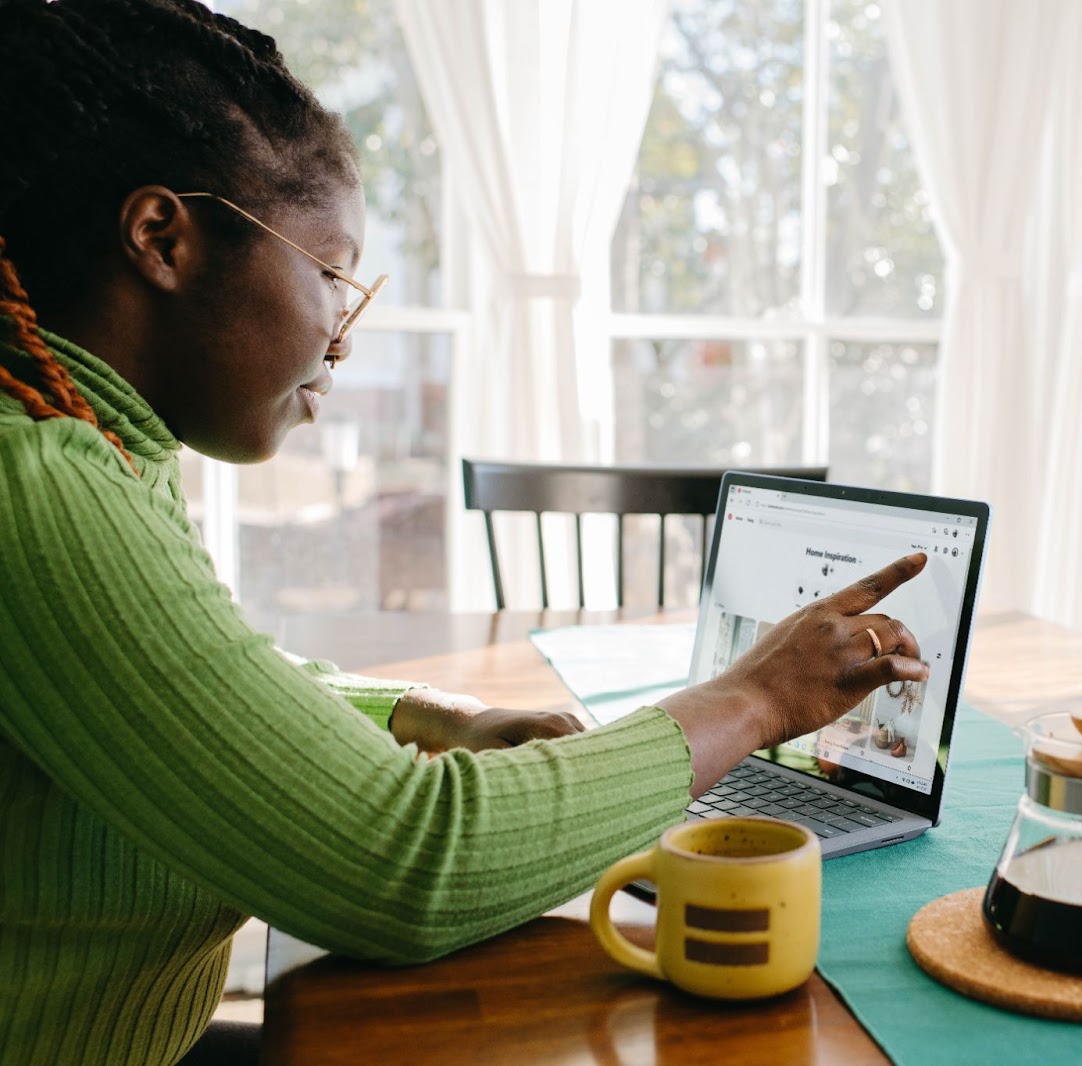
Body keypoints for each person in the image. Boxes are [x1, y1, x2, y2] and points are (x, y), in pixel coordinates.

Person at [0, 2, 929, 1063]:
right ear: (163, 238)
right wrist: (754, 696)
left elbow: (203, 680)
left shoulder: (91, 434)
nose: (343, 341)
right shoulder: (38, 488)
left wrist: (421, 711)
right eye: (331, 278)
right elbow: (404, 863)